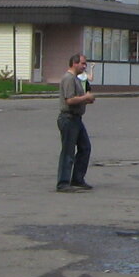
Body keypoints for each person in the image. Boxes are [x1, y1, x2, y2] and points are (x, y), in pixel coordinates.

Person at [56, 52, 95, 192]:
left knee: (85, 147)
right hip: (68, 118)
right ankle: (63, 183)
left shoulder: (77, 79)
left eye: (85, 64)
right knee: (68, 151)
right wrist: (86, 98)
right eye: (83, 63)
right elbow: (69, 100)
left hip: (77, 119)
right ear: (74, 63)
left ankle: (77, 179)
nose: (85, 66)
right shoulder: (68, 78)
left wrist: (86, 99)